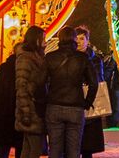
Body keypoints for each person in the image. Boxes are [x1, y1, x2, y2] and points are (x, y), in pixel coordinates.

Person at [44, 22, 97, 158]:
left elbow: (41, 82)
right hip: (75, 106)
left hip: (54, 105)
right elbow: (94, 83)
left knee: (55, 148)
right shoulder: (82, 58)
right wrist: (87, 101)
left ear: (60, 39)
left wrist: (45, 100)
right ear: (74, 39)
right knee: (74, 149)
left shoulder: (50, 57)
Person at [14, 26, 49, 158]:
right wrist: (26, 112)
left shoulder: (36, 56)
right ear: (36, 40)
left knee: (28, 146)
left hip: (33, 107)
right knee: (34, 147)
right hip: (31, 108)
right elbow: (21, 86)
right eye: (43, 38)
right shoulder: (26, 58)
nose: (45, 42)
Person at [74, 28, 106, 158]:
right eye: (77, 39)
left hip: (91, 101)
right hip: (75, 101)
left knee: (88, 143)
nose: (79, 42)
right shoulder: (71, 57)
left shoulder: (95, 60)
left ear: (88, 41)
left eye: (82, 38)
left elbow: (99, 79)